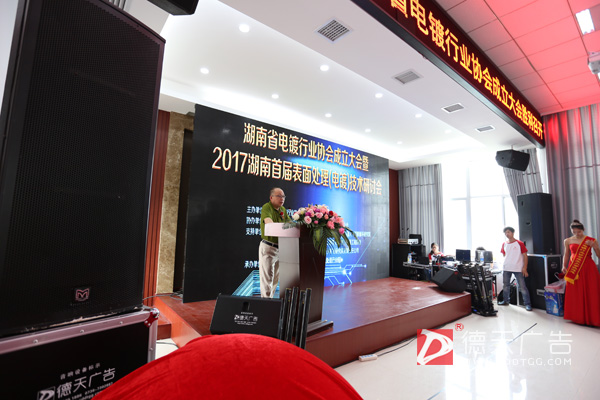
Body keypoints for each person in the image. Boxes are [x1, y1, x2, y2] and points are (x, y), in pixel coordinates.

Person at [561, 220, 600, 326]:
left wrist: (595, 246)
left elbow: (599, 255)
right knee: (575, 292)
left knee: (591, 291)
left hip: (588, 269)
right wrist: (564, 266)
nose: (577, 234)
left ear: (583, 230)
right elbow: (566, 254)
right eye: (574, 232)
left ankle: (593, 318)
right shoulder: (567, 240)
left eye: (579, 232)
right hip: (574, 269)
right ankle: (577, 317)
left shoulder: (591, 240)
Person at [259, 187, 291, 298]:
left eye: (283, 196)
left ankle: (270, 301)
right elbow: (269, 223)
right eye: (279, 196)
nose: (282, 199)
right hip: (269, 247)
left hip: (280, 248)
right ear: (271, 197)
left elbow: (290, 224)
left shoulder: (283, 210)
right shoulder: (267, 207)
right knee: (267, 278)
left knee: (275, 278)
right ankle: (265, 302)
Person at [498, 227, 532, 311]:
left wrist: (525, 268)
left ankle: (527, 304)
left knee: (522, 287)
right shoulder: (504, 244)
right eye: (505, 233)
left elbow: (525, 256)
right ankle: (506, 301)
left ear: (513, 233)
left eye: (508, 232)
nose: (507, 234)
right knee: (506, 286)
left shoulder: (519, 243)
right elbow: (504, 255)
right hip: (506, 267)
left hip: (518, 268)